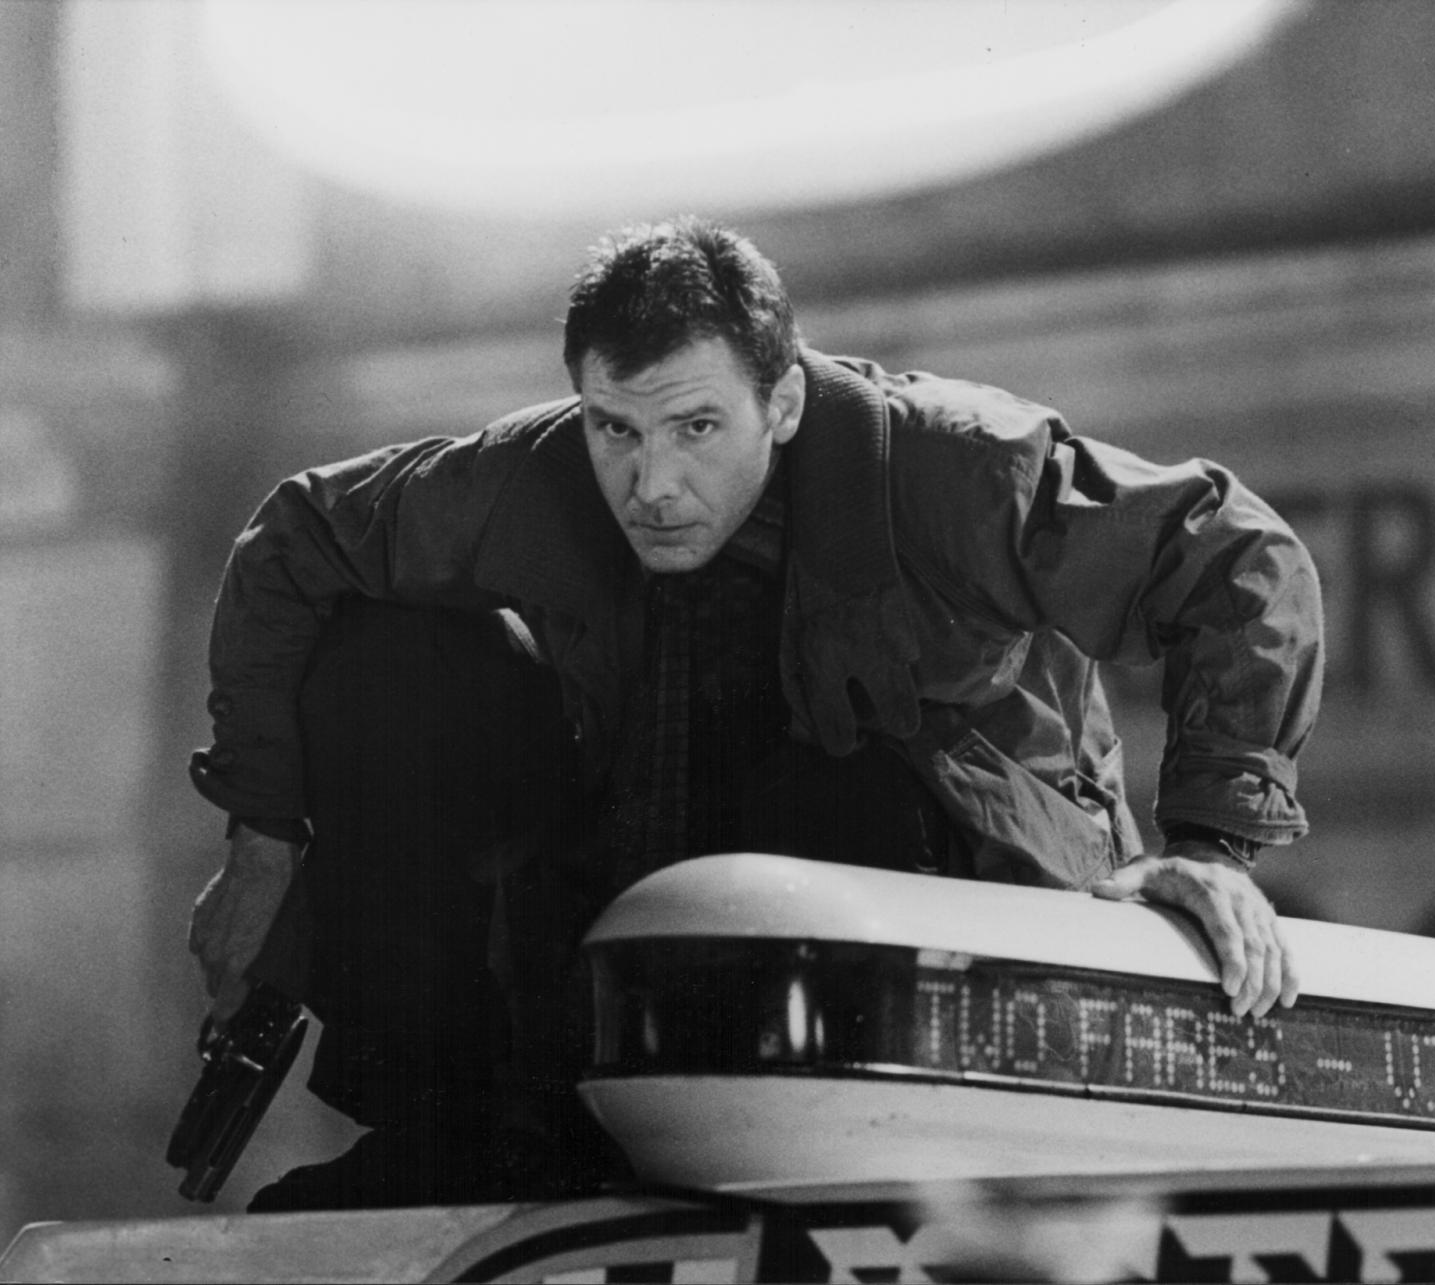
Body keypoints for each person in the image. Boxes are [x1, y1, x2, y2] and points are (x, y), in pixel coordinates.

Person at [187, 216, 1323, 1210]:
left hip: (941, 932)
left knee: (824, 774)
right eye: (615, 429)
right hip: (650, 895)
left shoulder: (954, 465)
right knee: (387, 654)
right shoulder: (535, 475)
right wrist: (264, 838)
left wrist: (1210, 846)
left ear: (781, 403)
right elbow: (296, 539)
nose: (651, 485)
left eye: (696, 428)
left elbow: (1234, 554)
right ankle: (466, 1115)